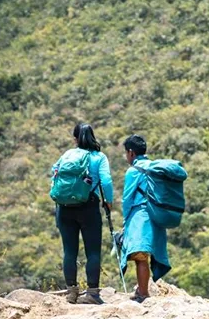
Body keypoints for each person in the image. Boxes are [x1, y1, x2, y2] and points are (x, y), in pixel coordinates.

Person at [52, 123, 113, 305]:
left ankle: (71, 293)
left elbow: (54, 174)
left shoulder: (67, 155)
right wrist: (108, 201)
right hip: (89, 207)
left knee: (69, 251)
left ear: (75, 139)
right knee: (92, 251)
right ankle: (92, 294)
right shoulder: (99, 157)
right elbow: (106, 181)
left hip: (64, 207)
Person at [120, 134, 171, 303]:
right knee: (148, 254)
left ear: (131, 153)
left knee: (140, 256)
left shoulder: (133, 171)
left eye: (126, 153)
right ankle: (143, 289)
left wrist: (125, 219)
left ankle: (143, 293)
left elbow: (127, 199)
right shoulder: (155, 167)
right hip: (156, 215)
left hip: (140, 216)